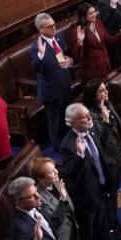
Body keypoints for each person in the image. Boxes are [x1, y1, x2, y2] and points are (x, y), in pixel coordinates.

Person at [56, 104, 118, 240]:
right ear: (73, 122)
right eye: (85, 117)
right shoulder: (68, 145)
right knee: (87, 235)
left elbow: (101, 157)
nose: (90, 118)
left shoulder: (91, 132)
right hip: (84, 197)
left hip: (99, 189)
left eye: (89, 114)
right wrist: (80, 155)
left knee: (100, 228)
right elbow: (71, 174)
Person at [81, 80, 121, 238]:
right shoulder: (91, 115)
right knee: (108, 195)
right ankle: (111, 229)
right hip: (106, 161)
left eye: (105, 90)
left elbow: (119, 129)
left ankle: (115, 222)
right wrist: (106, 120)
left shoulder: (106, 105)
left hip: (115, 156)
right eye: (102, 91)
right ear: (93, 96)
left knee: (114, 193)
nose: (106, 93)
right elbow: (103, 139)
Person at [33, 12, 74, 150]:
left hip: (64, 86)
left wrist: (70, 61)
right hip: (51, 91)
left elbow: (65, 58)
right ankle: (58, 148)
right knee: (54, 122)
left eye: (54, 25)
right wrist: (41, 55)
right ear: (40, 29)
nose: (54, 28)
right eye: (49, 27)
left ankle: (68, 142)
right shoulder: (36, 48)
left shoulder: (59, 37)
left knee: (65, 117)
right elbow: (36, 69)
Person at [68, 1, 121, 82]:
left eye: (94, 12)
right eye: (91, 13)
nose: (94, 15)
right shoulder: (78, 31)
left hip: (105, 66)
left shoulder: (98, 22)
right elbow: (77, 56)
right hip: (92, 73)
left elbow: (108, 39)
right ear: (83, 16)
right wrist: (80, 43)